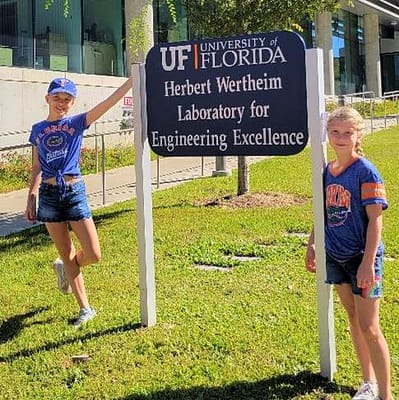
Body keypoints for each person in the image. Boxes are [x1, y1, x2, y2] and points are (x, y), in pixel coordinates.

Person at [25, 77, 132, 328]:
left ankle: (66, 267)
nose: (61, 103)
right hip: (49, 196)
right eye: (57, 98)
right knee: (65, 251)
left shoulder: (77, 122)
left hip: (74, 191)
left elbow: (108, 103)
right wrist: (31, 194)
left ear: (72, 102)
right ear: (47, 98)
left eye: (67, 99)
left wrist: (132, 80)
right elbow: (37, 166)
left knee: (93, 253)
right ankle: (85, 308)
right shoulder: (38, 129)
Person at [305, 106, 393, 400]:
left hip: (362, 258)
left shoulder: (365, 171)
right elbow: (323, 212)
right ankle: (367, 383)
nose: (340, 138)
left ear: (358, 136)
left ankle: (386, 394)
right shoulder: (327, 171)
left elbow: (376, 220)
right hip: (337, 256)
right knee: (353, 317)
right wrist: (313, 242)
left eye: (347, 133)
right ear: (328, 134)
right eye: (335, 132)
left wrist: (368, 263)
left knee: (370, 326)